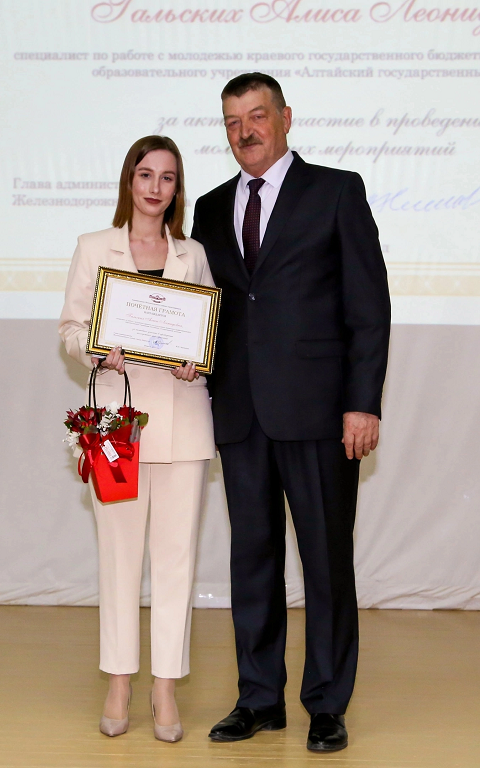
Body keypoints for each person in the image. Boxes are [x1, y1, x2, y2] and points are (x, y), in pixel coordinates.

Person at [191, 73, 391, 753]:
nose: (245, 131)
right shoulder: (210, 208)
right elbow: (210, 309)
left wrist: (362, 403)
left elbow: (369, 307)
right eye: (232, 121)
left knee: (326, 563)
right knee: (252, 560)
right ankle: (258, 698)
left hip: (320, 414)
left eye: (256, 115)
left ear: (284, 118)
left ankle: (327, 704)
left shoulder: (336, 191)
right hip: (240, 412)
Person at [59, 136, 216, 743]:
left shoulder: (193, 254)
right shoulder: (92, 247)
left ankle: (165, 686)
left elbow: (208, 335)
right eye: (146, 175)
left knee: (176, 562)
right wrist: (97, 348)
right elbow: (71, 330)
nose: (155, 187)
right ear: (130, 180)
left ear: (178, 189)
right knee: (119, 558)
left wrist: (197, 362)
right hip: (116, 427)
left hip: (184, 423)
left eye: (167, 178)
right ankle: (120, 680)